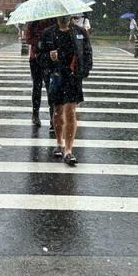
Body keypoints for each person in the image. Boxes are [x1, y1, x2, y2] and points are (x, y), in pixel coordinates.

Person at [39, 15, 93, 165]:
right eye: (62, 16)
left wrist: (84, 71)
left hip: (74, 76)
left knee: (70, 111)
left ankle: (69, 150)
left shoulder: (80, 32)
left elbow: (87, 52)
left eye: (67, 16)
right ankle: (59, 143)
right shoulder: (48, 33)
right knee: (57, 111)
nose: (65, 18)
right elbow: (40, 57)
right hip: (56, 75)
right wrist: (49, 57)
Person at [24, 17, 56, 132]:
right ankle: (35, 114)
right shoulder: (33, 22)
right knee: (37, 86)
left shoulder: (54, 21)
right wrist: (39, 42)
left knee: (51, 88)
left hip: (49, 59)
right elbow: (27, 38)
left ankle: (53, 118)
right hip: (35, 59)